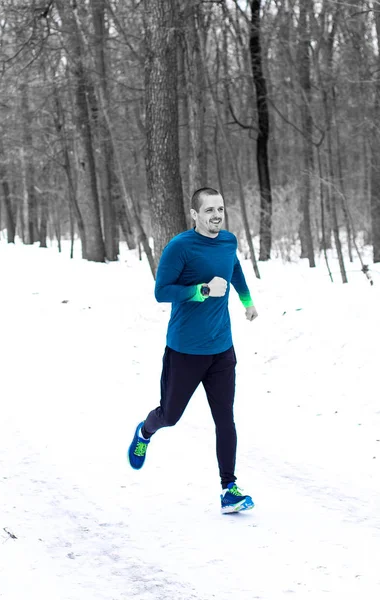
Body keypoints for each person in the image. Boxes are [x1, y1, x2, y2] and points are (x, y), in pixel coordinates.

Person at [128, 187, 258, 514]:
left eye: (220, 208)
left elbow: (235, 269)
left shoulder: (228, 241)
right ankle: (145, 431)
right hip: (184, 351)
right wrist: (202, 290)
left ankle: (229, 488)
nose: (217, 215)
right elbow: (162, 292)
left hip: (221, 350)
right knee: (169, 415)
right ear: (195, 215)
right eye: (210, 210)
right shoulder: (179, 248)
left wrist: (247, 301)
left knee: (225, 418)